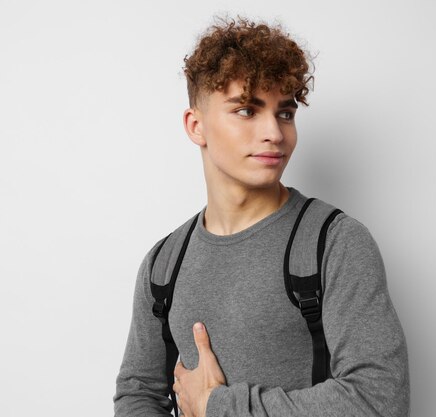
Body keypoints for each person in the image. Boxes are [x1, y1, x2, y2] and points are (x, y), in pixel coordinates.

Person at [113, 16, 410, 417]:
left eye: (285, 113)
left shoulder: (334, 242)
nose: (274, 132)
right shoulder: (163, 264)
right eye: (247, 110)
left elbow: (380, 399)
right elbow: (138, 393)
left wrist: (218, 406)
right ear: (196, 125)